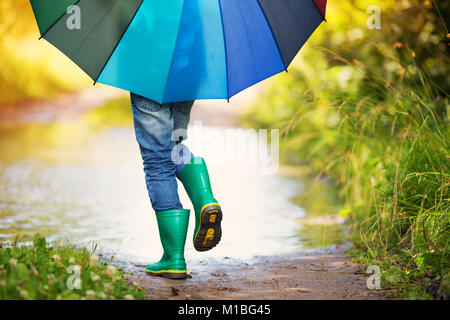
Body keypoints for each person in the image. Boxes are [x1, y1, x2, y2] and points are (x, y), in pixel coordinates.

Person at [130, 93, 222, 279]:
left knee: (158, 159)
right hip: (186, 76)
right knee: (173, 147)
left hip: (148, 77)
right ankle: (205, 198)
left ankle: (174, 257)